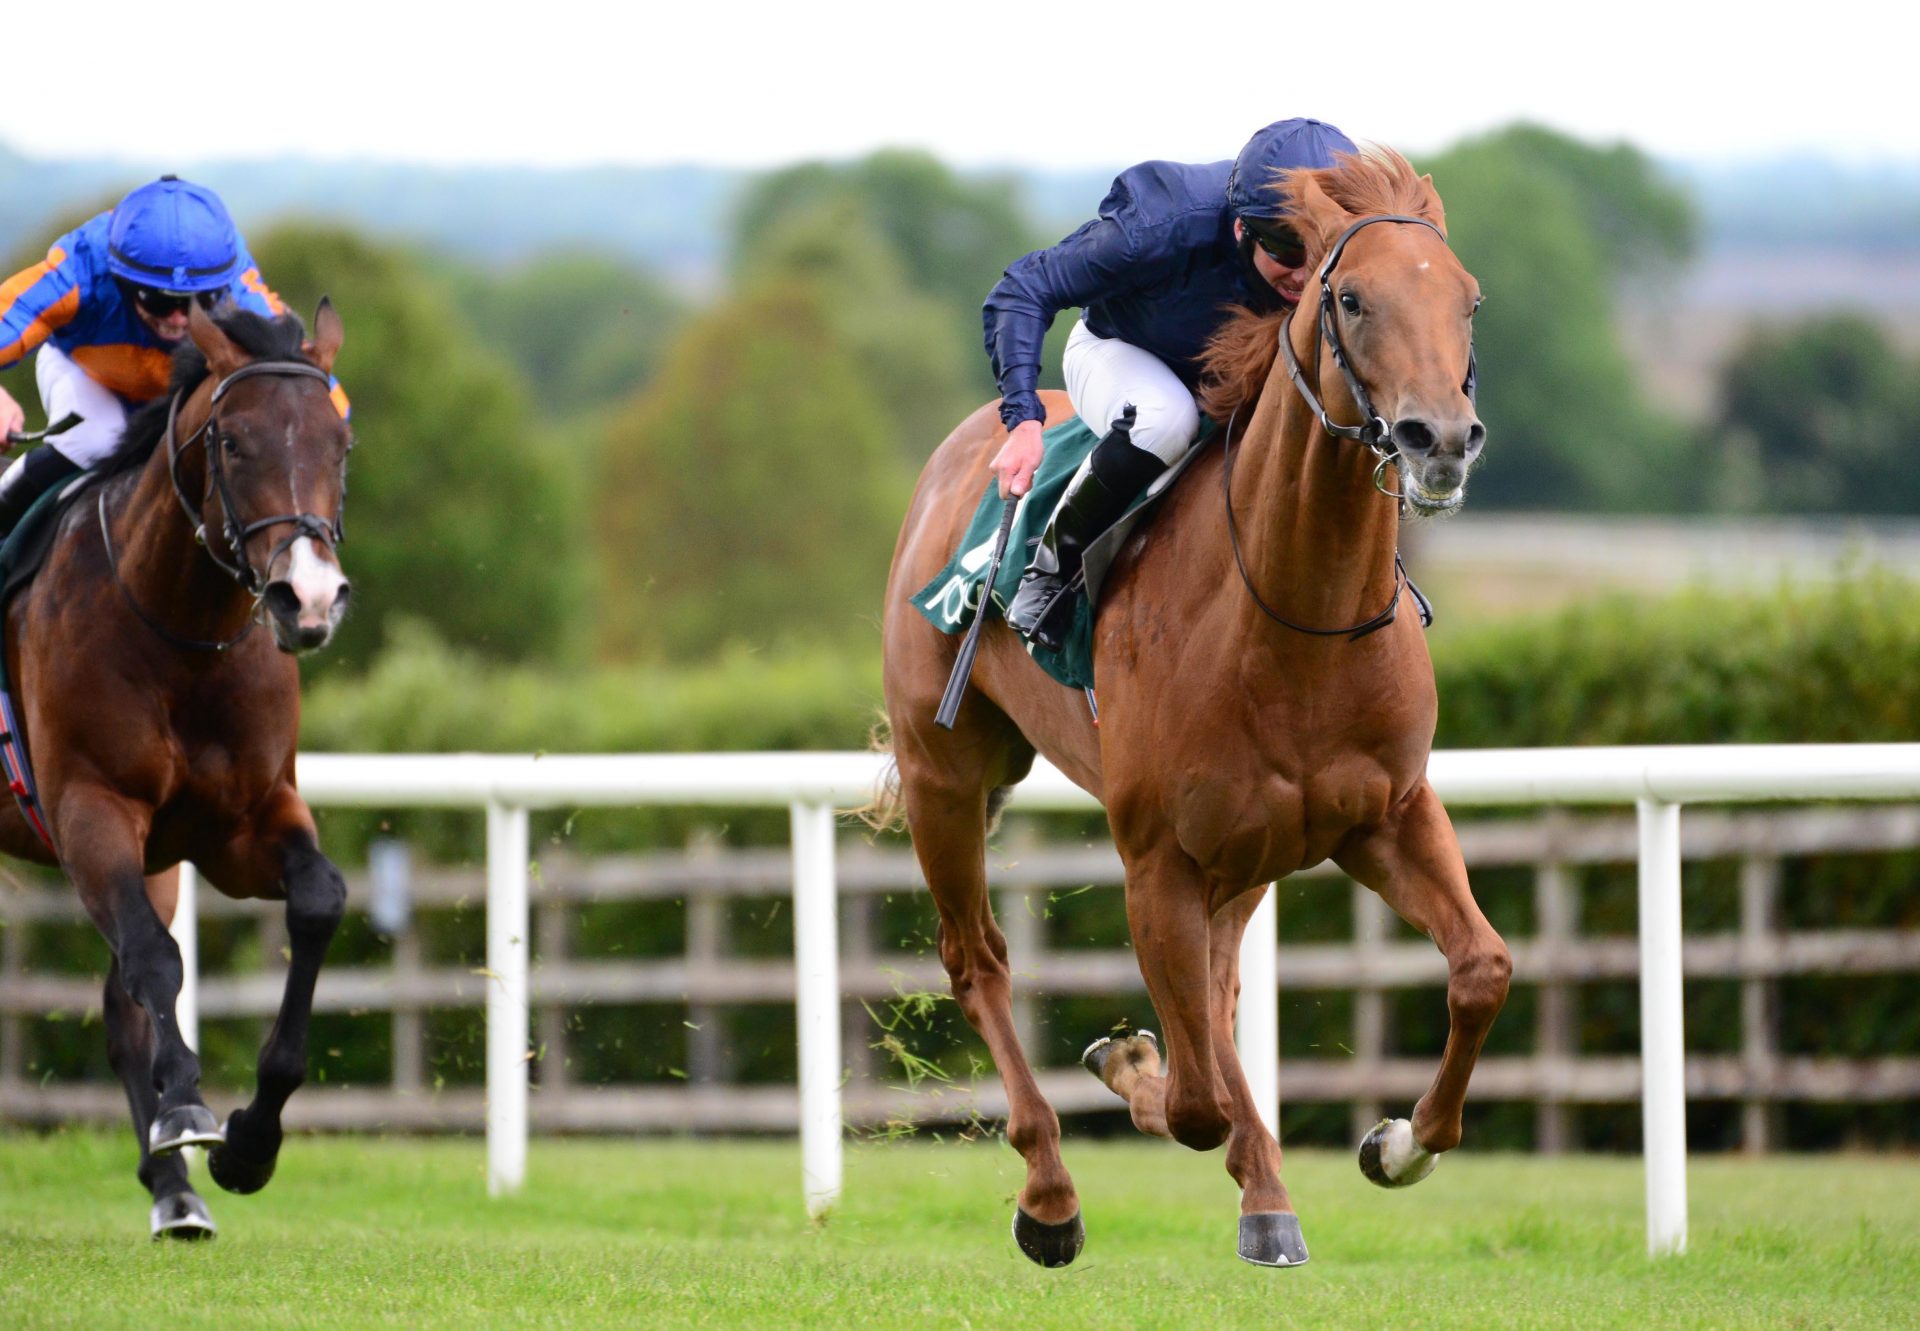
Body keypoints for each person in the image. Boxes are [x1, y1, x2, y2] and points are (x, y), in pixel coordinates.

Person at [982, 117, 1355, 650]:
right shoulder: (1160, 222)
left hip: (1235, 372)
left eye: (1322, 255)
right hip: (1122, 352)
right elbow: (1023, 288)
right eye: (1289, 253)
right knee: (1167, 418)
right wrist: (1022, 419)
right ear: (1241, 230)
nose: (1304, 276)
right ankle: (1050, 573)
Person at [0, 175, 345, 533]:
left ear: (221, 286)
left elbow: (310, 387)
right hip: (86, 371)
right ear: (121, 279)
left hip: (176, 391)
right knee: (95, 442)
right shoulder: (79, 269)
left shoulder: (238, 294)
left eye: (197, 302)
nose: (179, 319)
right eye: (159, 301)